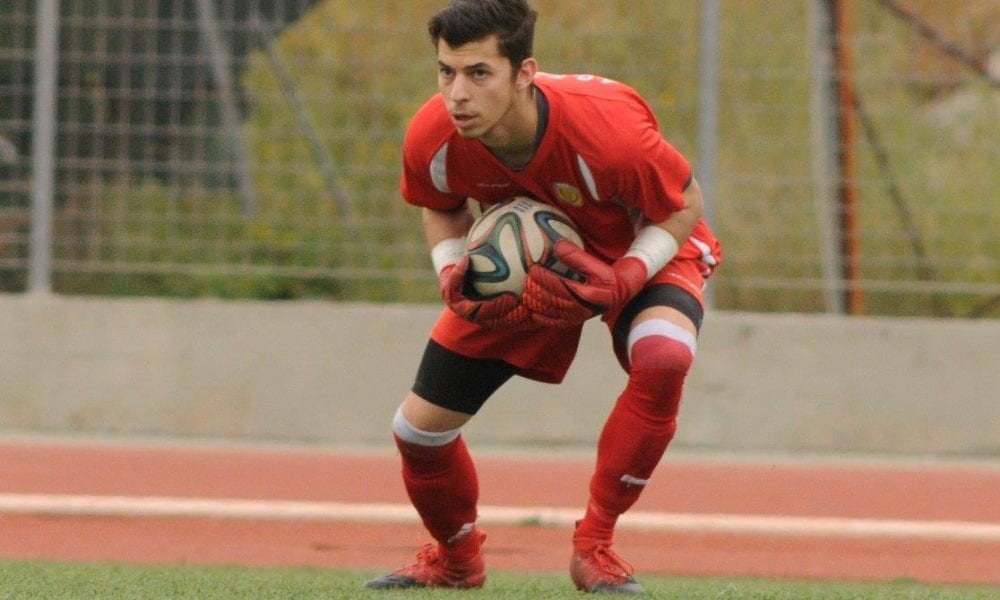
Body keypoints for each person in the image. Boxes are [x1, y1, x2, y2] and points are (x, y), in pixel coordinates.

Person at [365, 0, 722, 594]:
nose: (457, 93)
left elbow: (684, 203)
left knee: (664, 356)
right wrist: (451, 272)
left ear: (523, 74)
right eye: (447, 72)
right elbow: (439, 204)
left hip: (645, 245)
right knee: (418, 432)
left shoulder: (606, 130)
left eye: (479, 73)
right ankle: (456, 560)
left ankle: (595, 546)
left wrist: (628, 276)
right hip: (530, 265)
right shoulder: (433, 135)